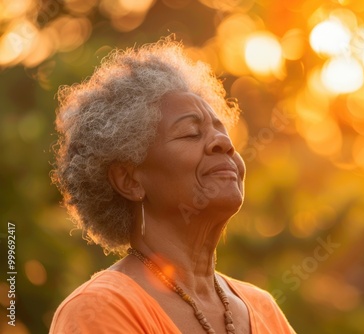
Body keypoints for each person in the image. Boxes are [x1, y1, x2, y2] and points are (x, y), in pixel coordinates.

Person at [49, 38, 296, 334]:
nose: (225, 143)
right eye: (191, 133)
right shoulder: (100, 307)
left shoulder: (263, 308)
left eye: (222, 131)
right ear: (129, 180)